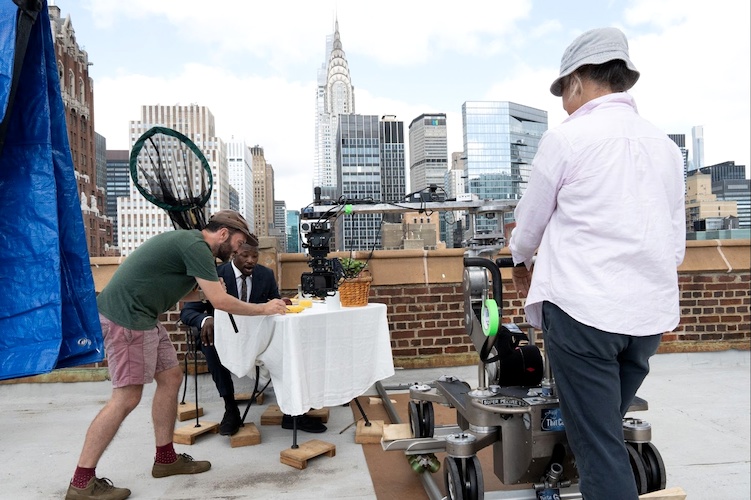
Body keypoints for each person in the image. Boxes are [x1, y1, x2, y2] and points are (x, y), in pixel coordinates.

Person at [508, 28, 685, 500]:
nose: (565, 101)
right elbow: (676, 243)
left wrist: (520, 260)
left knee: (598, 444)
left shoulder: (566, 140)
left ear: (580, 81)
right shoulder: (667, 148)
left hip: (584, 312)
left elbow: (527, 229)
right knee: (606, 424)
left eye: (564, 90)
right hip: (647, 317)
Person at [66, 210, 288, 500]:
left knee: (171, 377)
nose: (239, 248)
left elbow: (185, 294)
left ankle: (165, 459)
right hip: (126, 319)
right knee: (126, 397)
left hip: (144, 318)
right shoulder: (196, 246)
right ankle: (82, 482)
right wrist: (265, 308)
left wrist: (207, 294)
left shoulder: (195, 248)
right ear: (223, 234)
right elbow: (221, 303)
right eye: (238, 241)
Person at [181, 242, 327, 435]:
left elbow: (274, 302)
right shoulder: (215, 275)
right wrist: (206, 319)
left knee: (289, 344)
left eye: (254, 257)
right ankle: (230, 408)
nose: (250, 261)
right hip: (222, 336)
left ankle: (292, 413)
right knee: (211, 344)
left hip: (258, 336)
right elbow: (188, 311)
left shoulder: (265, 275)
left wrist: (280, 303)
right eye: (244, 256)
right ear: (234, 254)